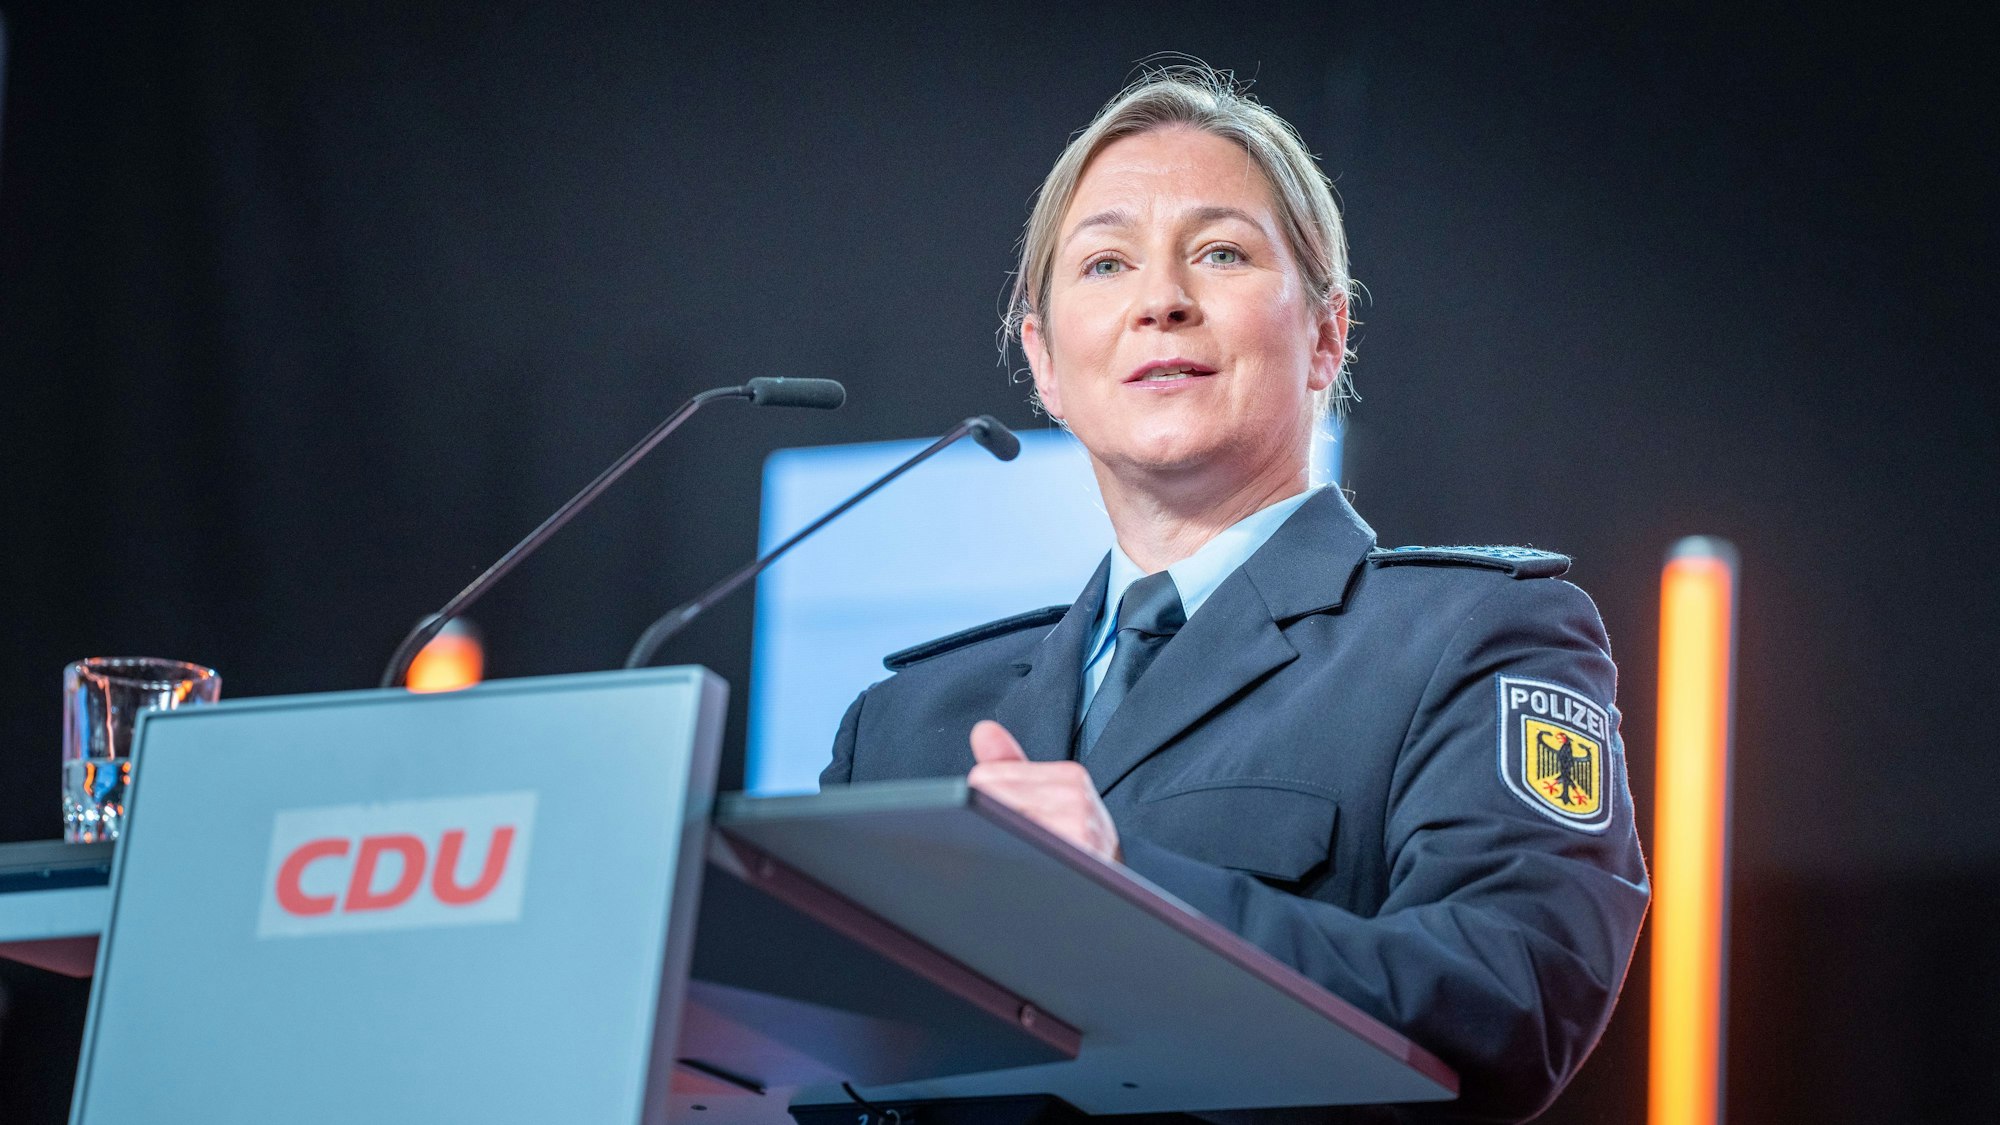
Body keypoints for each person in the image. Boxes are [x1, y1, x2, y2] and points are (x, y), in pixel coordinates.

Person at [821, 64, 1648, 1124]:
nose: (1159, 300)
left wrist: (1126, 893)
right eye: (1105, 262)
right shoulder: (900, 726)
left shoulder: (1474, 638)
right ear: (1043, 364)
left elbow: (1513, 997)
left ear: (1324, 334)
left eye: (1217, 253)